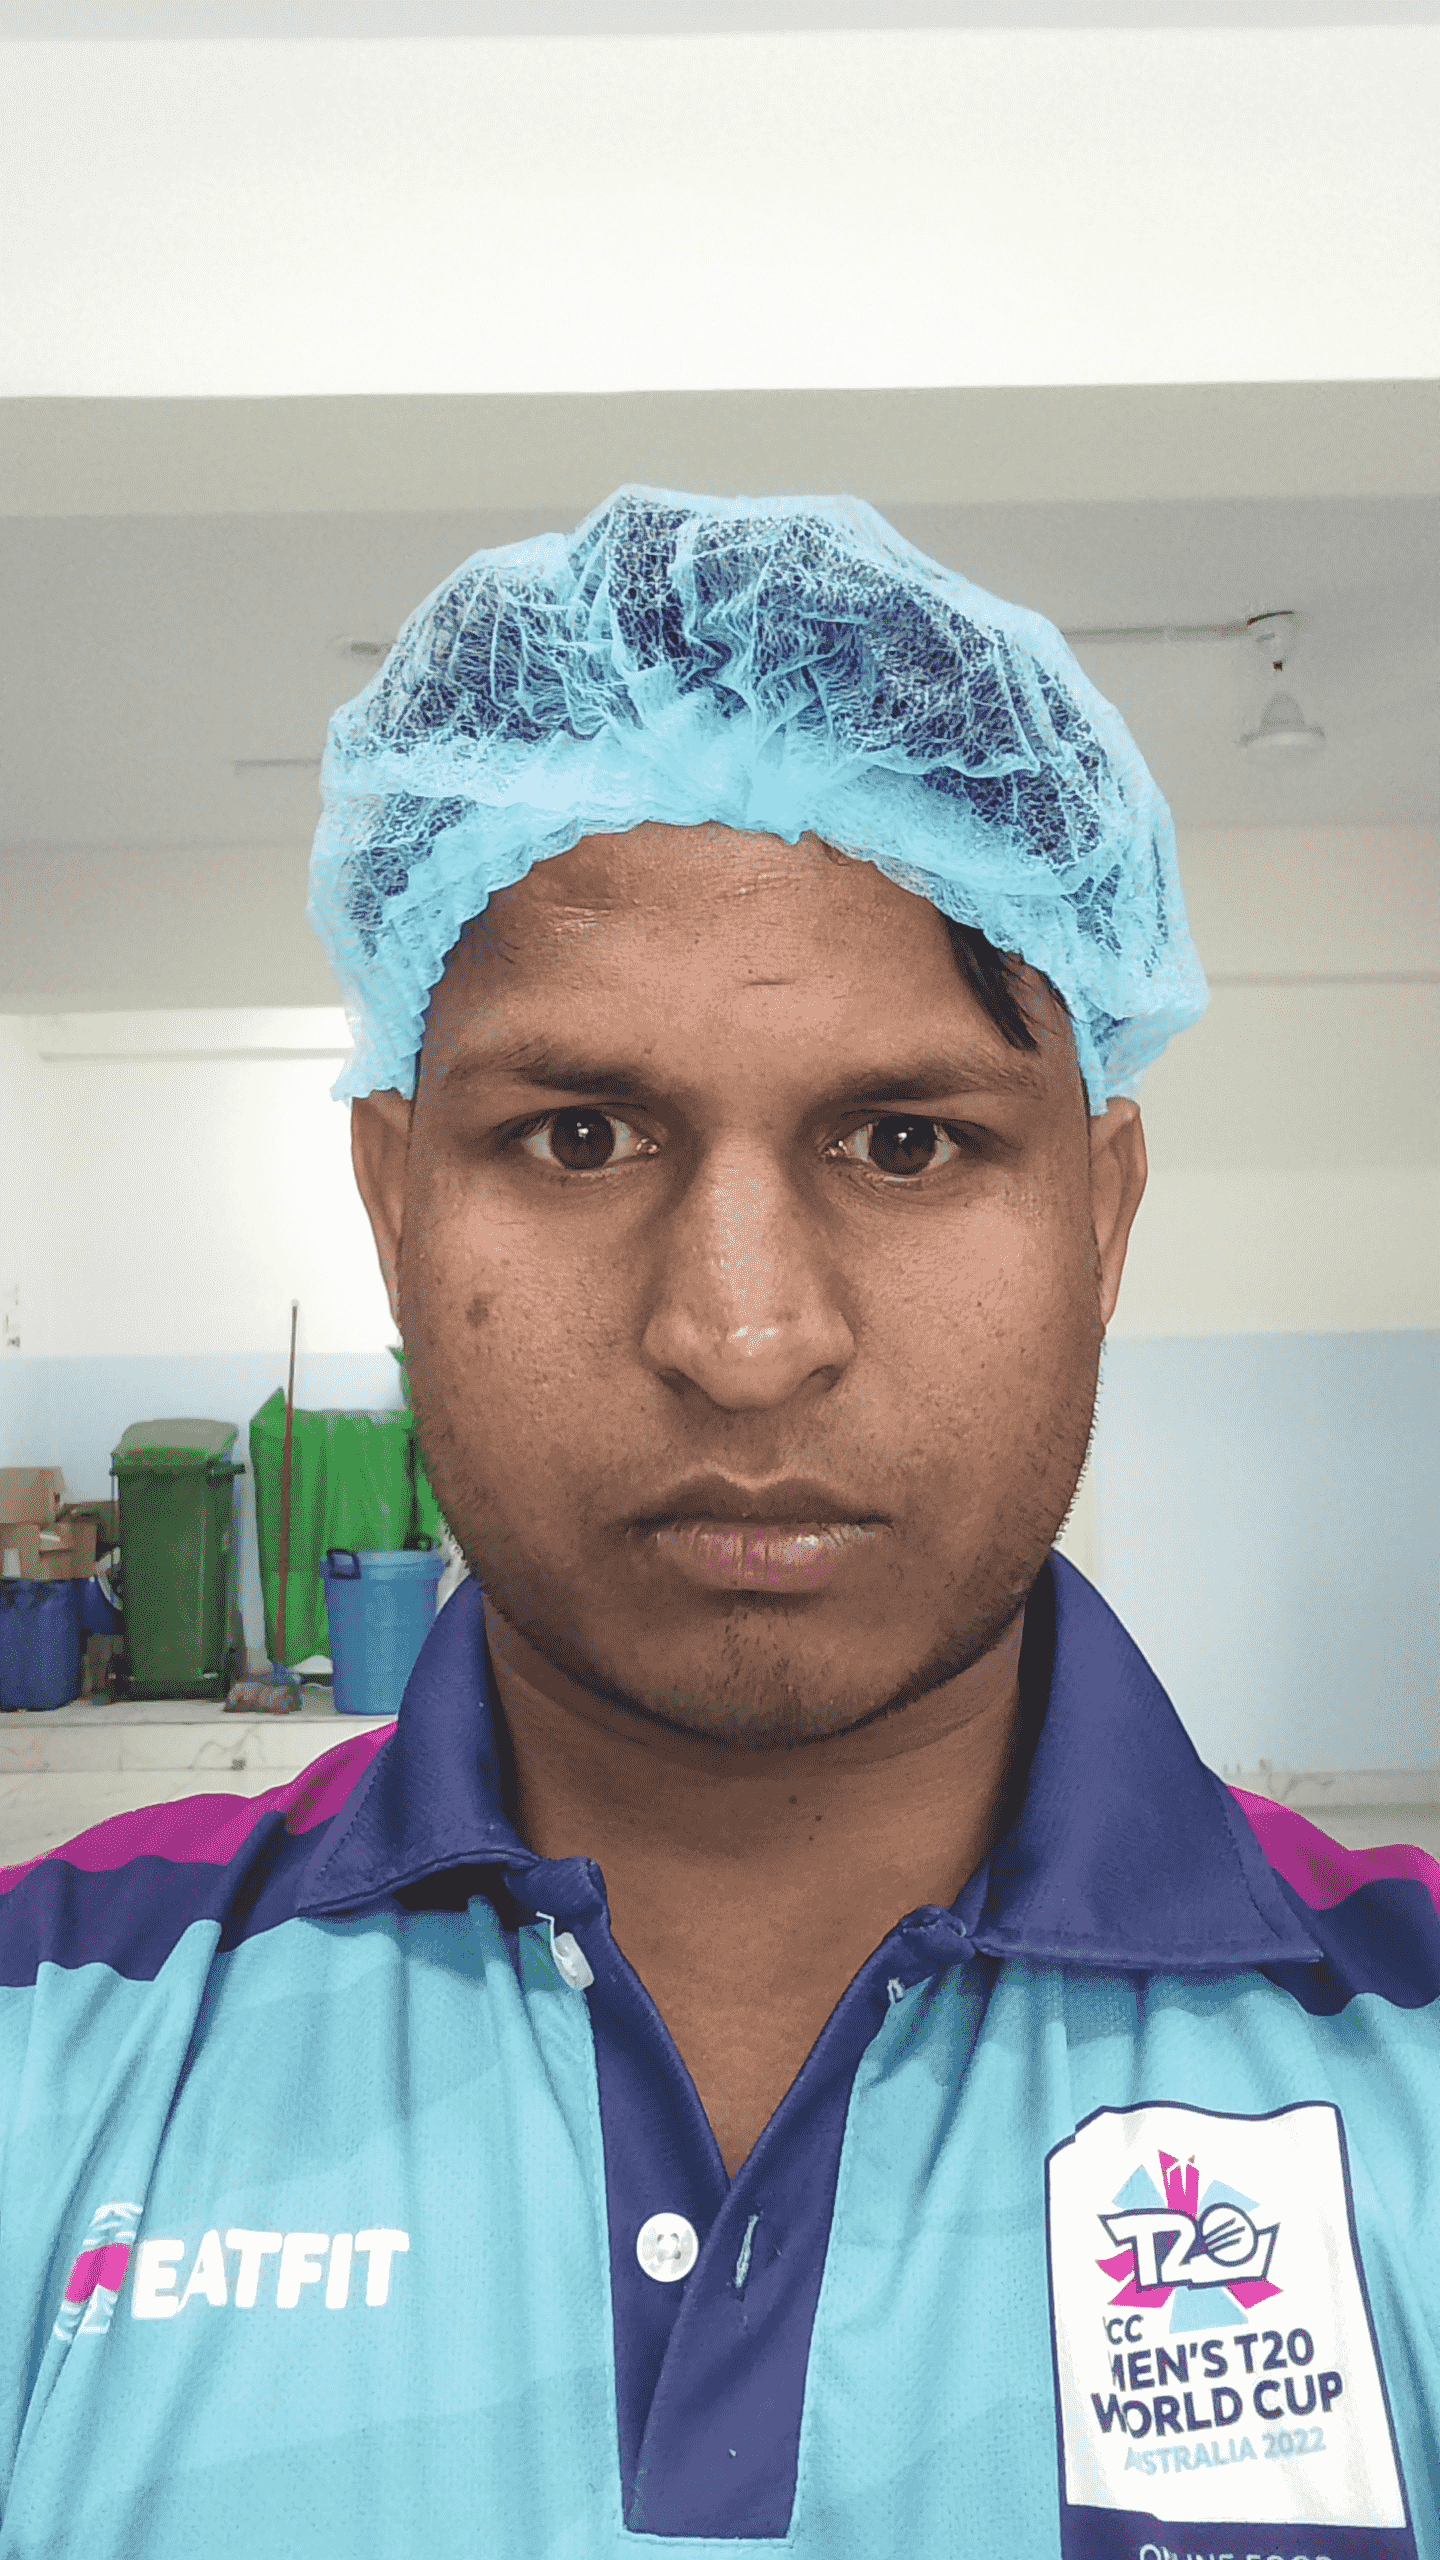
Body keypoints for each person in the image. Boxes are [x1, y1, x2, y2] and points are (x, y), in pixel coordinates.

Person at [1, 490, 1435, 2559]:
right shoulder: (52, 2044)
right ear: (396, 1208)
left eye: (906, 1139)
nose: (744, 1339)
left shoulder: (1408, 2067)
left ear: (1102, 1215)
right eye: (578, 1135)